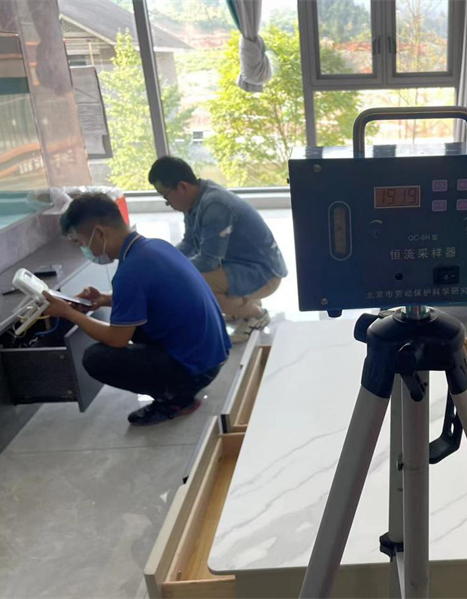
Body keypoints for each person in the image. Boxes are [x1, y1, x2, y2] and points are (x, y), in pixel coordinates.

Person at [42, 193, 232, 426]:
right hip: (214, 356)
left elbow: (116, 339)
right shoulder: (154, 247)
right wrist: (103, 299)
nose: (85, 249)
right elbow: (154, 296)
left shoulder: (129, 273)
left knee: (95, 358)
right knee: (134, 324)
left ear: (99, 233)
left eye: (81, 243)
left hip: (197, 369)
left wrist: (69, 313)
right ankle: (181, 381)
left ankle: (177, 399)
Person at [148, 156, 288, 342]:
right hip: (246, 265)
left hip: (265, 274)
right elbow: (189, 243)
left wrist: (170, 270)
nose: (169, 204)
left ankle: (255, 313)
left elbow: (208, 261)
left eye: (166, 197)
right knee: (187, 275)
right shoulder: (196, 201)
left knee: (193, 284)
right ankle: (241, 305)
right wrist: (165, 259)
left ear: (182, 187)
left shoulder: (214, 205)